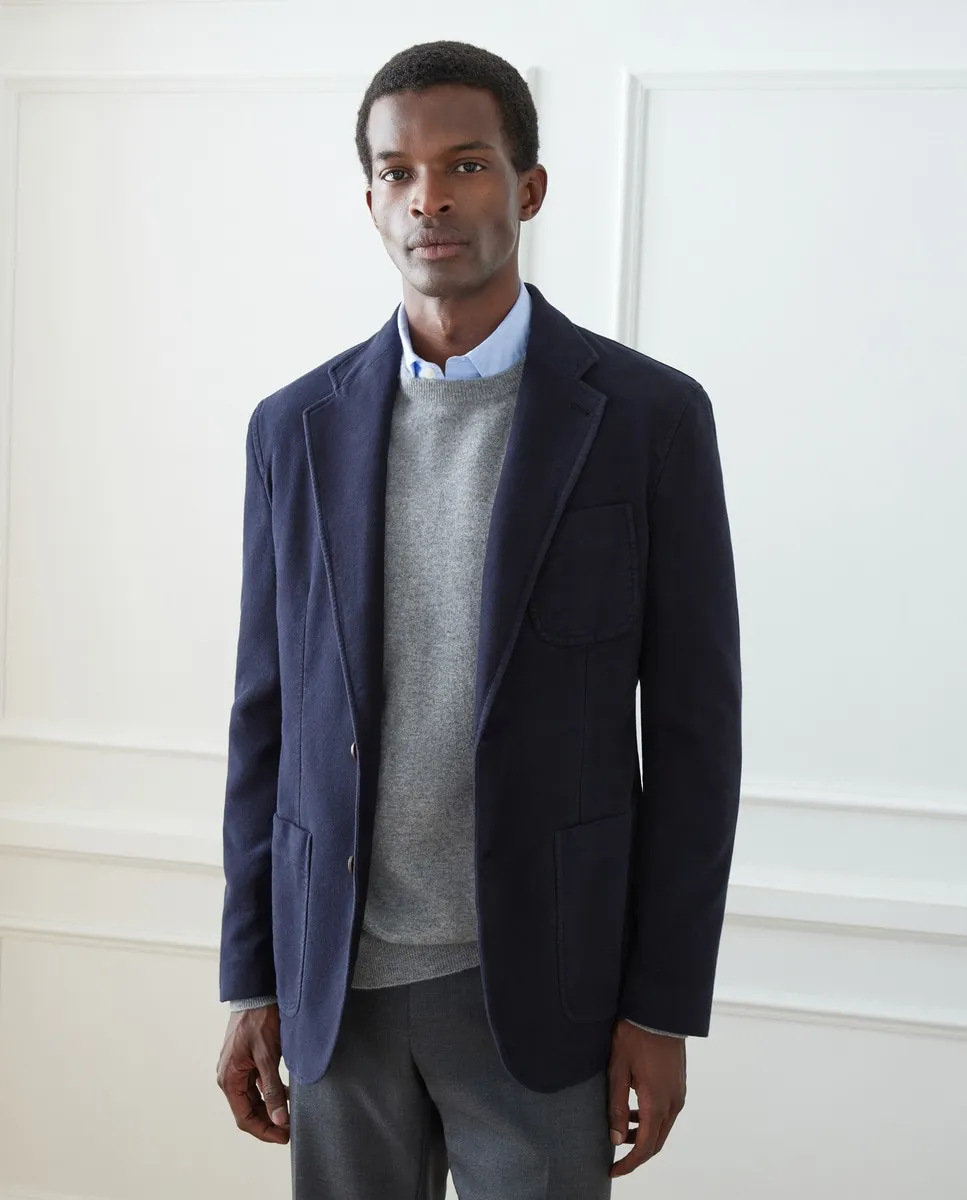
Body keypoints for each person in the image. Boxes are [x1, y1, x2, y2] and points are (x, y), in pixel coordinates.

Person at [215, 39, 742, 1199]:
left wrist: (661, 1006)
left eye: (464, 165)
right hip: (335, 986)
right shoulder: (292, 428)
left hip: (546, 987)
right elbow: (267, 720)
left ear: (528, 187)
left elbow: (696, 739)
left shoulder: (647, 420)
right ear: (369, 199)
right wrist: (251, 977)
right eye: (396, 172)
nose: (429, 199)